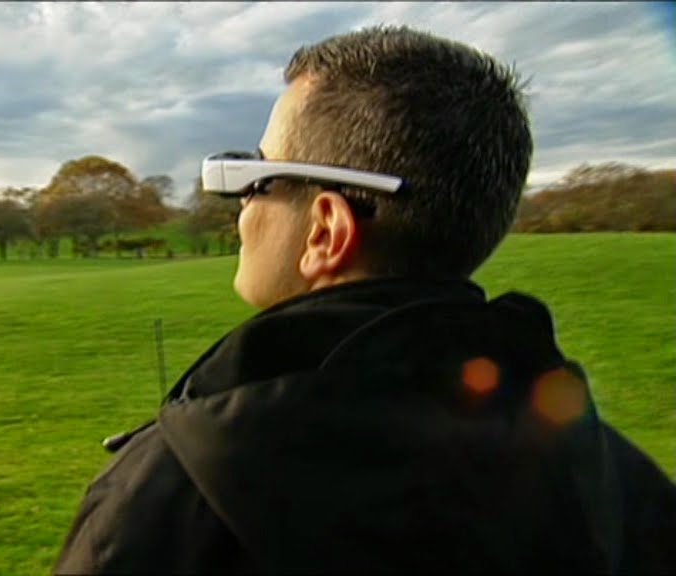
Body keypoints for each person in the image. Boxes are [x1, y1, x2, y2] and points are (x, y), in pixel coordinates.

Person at [53, 25, 676, 574]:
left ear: (325, 230)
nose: (242, 210)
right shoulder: (616, 479)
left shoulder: (169, 500)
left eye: (256, 180)